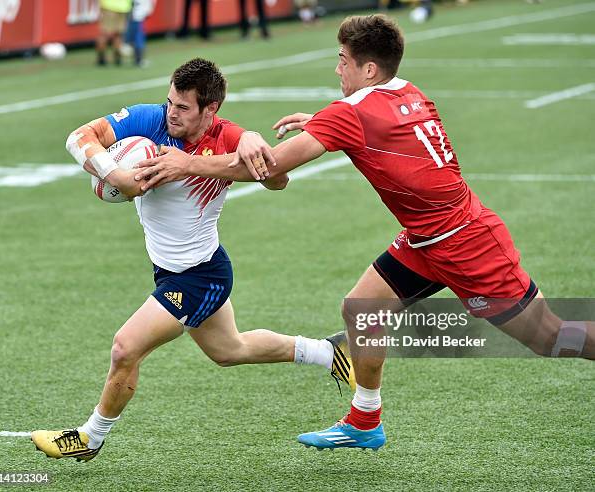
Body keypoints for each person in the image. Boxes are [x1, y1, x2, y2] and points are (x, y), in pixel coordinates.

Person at [134, 15, 595, 451]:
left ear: (368, 67)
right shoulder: (406, 91)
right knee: (362, 309)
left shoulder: (349, 113)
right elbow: (377, 124)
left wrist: (187, 163)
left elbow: (270, 166)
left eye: (342, 60)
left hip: (468, 244)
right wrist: (321, 121)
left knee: (550, 338)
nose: (337, 68)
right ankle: (365, 422)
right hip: (426, 237)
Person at [30, 58, 354, 462]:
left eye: (183, 108)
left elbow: (278, 180)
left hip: (201, 276)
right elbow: (80, 137)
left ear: (210, 109)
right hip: (171, 269)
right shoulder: (152, 120)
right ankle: (330, 352)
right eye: (170, 102)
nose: (172, 114)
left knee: (125, 348)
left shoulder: (228, 137)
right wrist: (115, 175)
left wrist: (254, 143)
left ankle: (90, 437)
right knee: (229, 350)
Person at [97, 0, 132, 66]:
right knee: (116, 34)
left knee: (108, 33)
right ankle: (116, 59)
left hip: (112, 6)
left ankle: (103, 59)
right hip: (121, 7)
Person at [125, 0, 155, 67]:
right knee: (138, 37)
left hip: (139, 15)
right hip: (137, 15)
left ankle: (138, 59)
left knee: (139, 36)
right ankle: (138, 59)